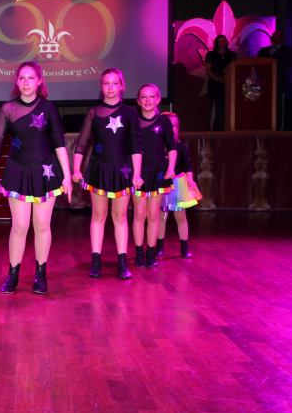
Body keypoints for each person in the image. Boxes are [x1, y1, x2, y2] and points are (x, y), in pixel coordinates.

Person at [0, 62, 72, 294]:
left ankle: (40, 274)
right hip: (17, 172)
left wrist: (66, 175)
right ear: (17, 81)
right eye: (22, 78)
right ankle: (13, 274)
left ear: (39, 81)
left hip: (46, 172)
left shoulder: (49, 108)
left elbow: (59, 143)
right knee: (19, 226)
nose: (26, 82)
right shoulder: (8, 109)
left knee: (42, 225)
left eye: (31, 78)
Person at [72, 69, 143, 280]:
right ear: (101, 86)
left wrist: (137, 174)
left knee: (120, 217)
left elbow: (136, 145)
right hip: (99, 170)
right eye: (106, 83)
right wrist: (76, 169)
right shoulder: (94, 113)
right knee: (98, 215)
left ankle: (122, 261)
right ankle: (96, 260)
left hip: (123, 171)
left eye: (114, 83)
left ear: (122, 86)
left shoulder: (130, 113)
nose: (110, 87)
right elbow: (82, 143)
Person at [131, 84, 176, 268]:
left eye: (151, 97)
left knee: (153, 214)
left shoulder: (164, 121)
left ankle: (151, 252)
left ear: (158, 99)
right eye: (143, 97)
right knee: (139, 214)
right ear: (138, 101)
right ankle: (139, 252)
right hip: (138, 173)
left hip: (158, 172)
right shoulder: (133, 121)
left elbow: (172, 146)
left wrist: (171, 167)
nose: (147, 100)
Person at [156, 112, 201, 258]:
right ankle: (159, 247)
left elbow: (188, 166)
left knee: (181, 217)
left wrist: (190, 180)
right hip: (162, 184)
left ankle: (184, 247)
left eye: (173, 126)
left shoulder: (180, 147)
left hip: (177, 185)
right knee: (161, 217)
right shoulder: (157, 147)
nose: (171, 129)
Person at [257, 30, 292, 130]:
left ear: (282, 39)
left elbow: (287, 65)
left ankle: (277, 129)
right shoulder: (263, 51)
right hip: (264, 85)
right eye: (272, 37)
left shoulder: (287, 51)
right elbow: (257, 64)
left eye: (276, 37)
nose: (273, 39)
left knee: (278, 107)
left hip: (279, 84)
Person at [204, 35, 236, 131]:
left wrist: (226, 79)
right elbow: (208, 69)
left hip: (228, 84)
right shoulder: (211, 54)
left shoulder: (232, 55)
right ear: (216, 43)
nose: (222, 43)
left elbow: (235, 68)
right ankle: (215, 130)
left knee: (226, 107)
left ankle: (226, 128)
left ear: (226, 43)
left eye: (223, 41)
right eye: (220, 41)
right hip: (214, 84)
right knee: (217, 107)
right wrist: (217, 79)